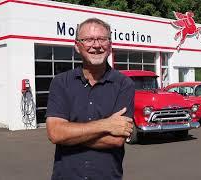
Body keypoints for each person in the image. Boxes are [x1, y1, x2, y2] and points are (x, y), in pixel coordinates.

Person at [45, 18, 135, 180]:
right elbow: (55, 133)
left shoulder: (124, 84)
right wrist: (106, 124)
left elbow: (116, 140)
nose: (96, 45)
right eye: (88, 40)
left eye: (102, 39)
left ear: (110, 45)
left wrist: (69, 135)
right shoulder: (61, 83)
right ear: (77, 46)